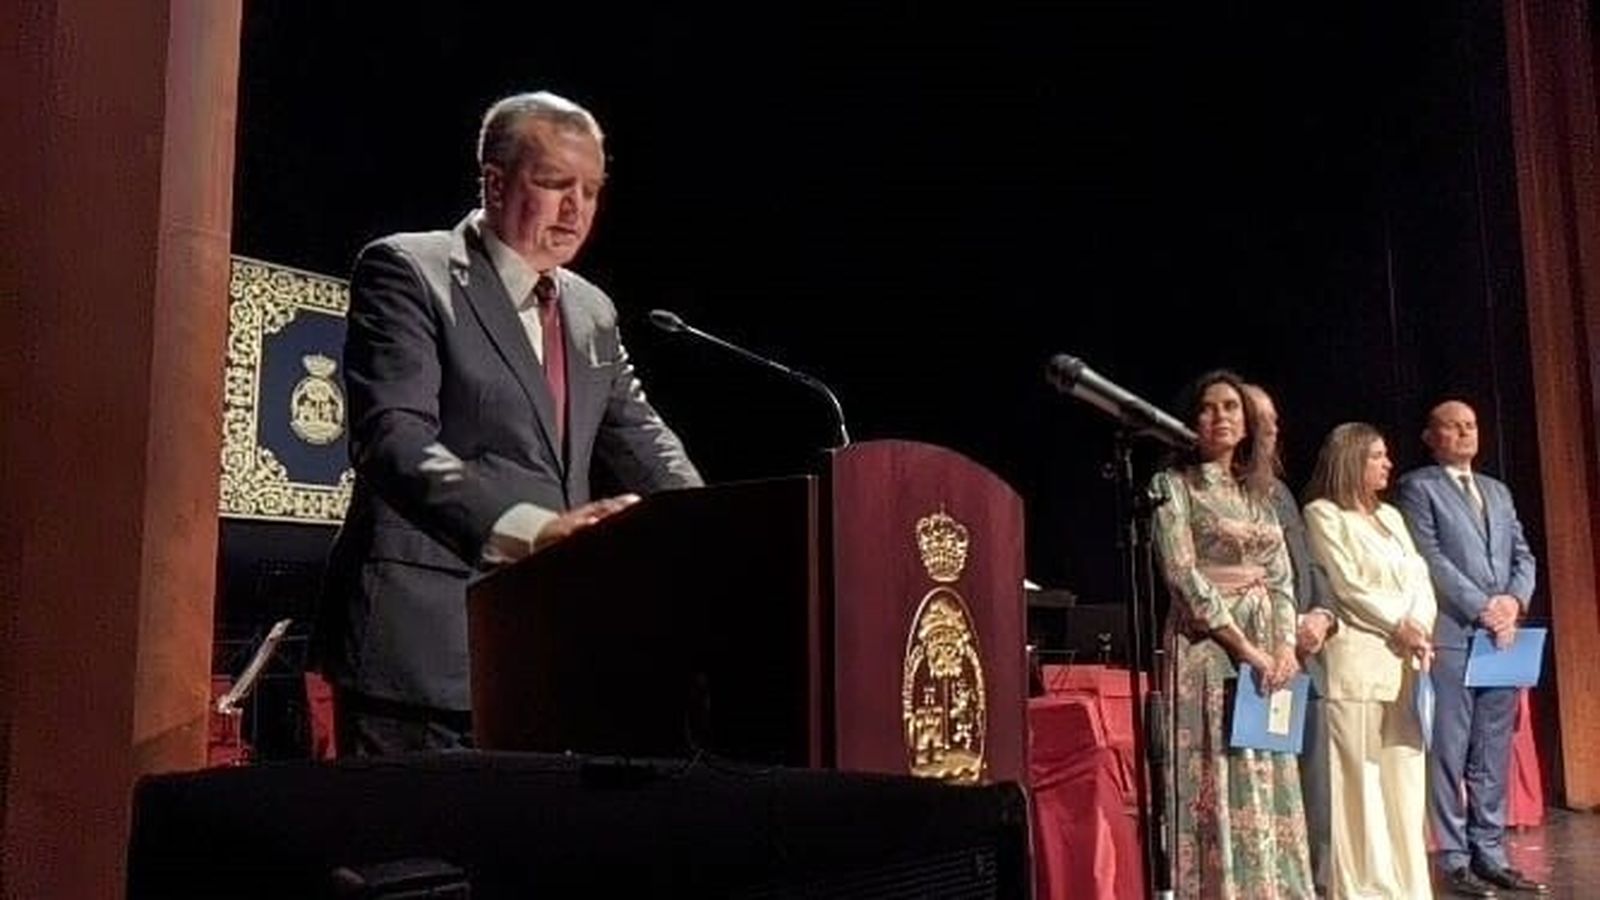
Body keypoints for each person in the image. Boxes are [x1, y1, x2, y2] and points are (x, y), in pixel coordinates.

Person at [314, 91, 704, 756]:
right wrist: (530, 529)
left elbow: (643, 439)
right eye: (554, 184)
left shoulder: (591, 310)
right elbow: (397, 439)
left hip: (544, 653)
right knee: (413, 857)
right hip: (421, 654)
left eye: (591, 189)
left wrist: (717, 527)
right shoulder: (409, 269)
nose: (575, 210)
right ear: (494, 182)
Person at [1150, 369, 1313, 898]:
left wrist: (1283, 647)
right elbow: (1181, 574)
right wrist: (1244, 648)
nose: (1220, 417)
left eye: (1230, 408)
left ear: (1246, 424)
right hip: (1209, 648)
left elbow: (1284, 576)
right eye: (1208, 407)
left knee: (1266, 767)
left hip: (1269, 647)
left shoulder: (1260, 494)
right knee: (1217, 771)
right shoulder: (1172, 486)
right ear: (1190, 420)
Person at [1396, 401, 1545, 897]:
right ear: (1430, 436)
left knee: (1493, 749)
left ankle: (1492, 852)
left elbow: (1523, 554)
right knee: (1451, 751)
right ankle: (1455, 857)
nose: (1464, 432)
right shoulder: (1420, 487)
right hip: (1455, 635)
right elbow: (1431, 558)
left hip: (1501, 638)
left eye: (1471, 425)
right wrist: (1484, 606)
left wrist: (1513, 602)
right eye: (1452, 426)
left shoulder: (1497, 492)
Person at [1302, 422, 1436, 900]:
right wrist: (1397, 623)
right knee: (1359, 782)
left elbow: (1420, 576)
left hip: (1406, 661)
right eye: (1377, 456)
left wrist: (1418, 625)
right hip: (1358, 661)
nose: (1387, 464)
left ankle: (1409, 886)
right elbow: (1345, 585)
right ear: (1352, 460)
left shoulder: (1393, 518)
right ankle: (1366, 889)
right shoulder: (1323, 515)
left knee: (1402, 781)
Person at [1243, 383, 1337, 897]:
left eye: (1275, 419)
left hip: (1308, 664)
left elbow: (1311, 568)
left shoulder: (1279, 492)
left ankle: (1316, 889)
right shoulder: (1224, 493)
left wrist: (1321, 614)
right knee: (1267, 797)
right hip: (1261, 665)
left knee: (1315, 797)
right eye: (1263, 419)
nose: (1273, 428)